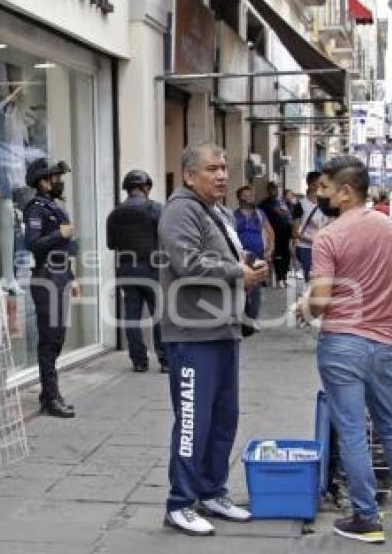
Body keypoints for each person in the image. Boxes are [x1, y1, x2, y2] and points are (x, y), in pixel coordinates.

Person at [296, 155, 392, 545]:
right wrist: (375, 298)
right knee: (390, 426)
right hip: (383, 343)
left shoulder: (329, 236)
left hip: (342, 344)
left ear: (347, 192)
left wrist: (304, 305)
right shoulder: (391, 229)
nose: (320, 194)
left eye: (326, 188)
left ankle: (367, 517)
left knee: (352, 430)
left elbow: (320, 301)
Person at [159, 144, 268, 536]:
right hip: (193, 335)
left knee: (224, 418)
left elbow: (228, 256)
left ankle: (212, 492)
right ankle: (180, 502)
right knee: (193, 422)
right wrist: (236, 272)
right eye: (212, 169)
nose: (222, 175)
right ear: (189, 175)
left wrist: (249, 265)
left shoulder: (217, 210)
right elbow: (187, 262)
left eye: (224, 168)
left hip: (224, 330)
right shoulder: (180, 209)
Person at [24, 158, 80, 419]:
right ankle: (51, 397)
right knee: (49, 340)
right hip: (46, 277)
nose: (59, 183)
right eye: (54, 178)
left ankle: (49, 393)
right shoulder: (35, 208)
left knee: (57, 338)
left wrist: (72, 277)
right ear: (42, 182)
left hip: (59, 276)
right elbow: (33, 243)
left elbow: (64, 251)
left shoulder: (53, 207)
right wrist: (61, 234)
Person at [106, 169, 166, 373]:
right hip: (152, 269)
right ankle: (165, 360)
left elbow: (111, 244)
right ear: (145, 187)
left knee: (132, 316)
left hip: (126, 270)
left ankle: (139, 361)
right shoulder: (156, 209)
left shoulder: (115, 213)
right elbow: (168, 236)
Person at [234, 186, 274, 322]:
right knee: (241, 287)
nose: (250, 197)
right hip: (239, 258)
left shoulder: (260, 214)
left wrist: (269, 250)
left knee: (256, 289)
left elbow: (270, 233)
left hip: (257, 257)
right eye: (246, 195)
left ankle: (252, 319)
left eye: (252, 195)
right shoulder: (233, 215)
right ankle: (242, 317)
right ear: (239, 198)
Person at [292, 171, 328, 283]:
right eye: (320, 183)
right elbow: (295, 233)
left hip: (324, 248)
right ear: (312, 185)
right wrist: (314, 240)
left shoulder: (327, 204)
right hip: (305, 249)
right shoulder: (300, 205)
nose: (323, 185)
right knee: (310, 282)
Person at [258, 181, 293, 288]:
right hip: (274, 234)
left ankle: (285, 277)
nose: (274, 191)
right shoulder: (264, 204)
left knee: (286, 255)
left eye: (276, 188)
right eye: (271, 189)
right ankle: (279, 278)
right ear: (268, 190)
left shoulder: (283, 202)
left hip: (286, 235)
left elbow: (289, 216)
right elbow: (261, 220)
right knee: (276, 257)